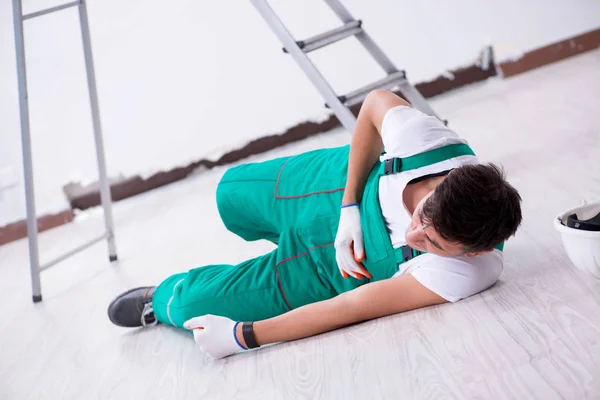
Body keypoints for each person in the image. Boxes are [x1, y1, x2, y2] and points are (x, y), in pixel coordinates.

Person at [107, 89, 522, 359]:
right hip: (339, 183)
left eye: (430, 242)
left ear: (476, 251)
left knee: (188, 306)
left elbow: (352, 306)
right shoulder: (428, 143)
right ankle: (280, 232)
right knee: (229, 194)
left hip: (335, 267)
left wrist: (244, 336)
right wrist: (349, 207)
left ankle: (158, 298)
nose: (414, 234)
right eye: (421, 217)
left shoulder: (470, 272)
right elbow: (377, 103)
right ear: (446, 180)